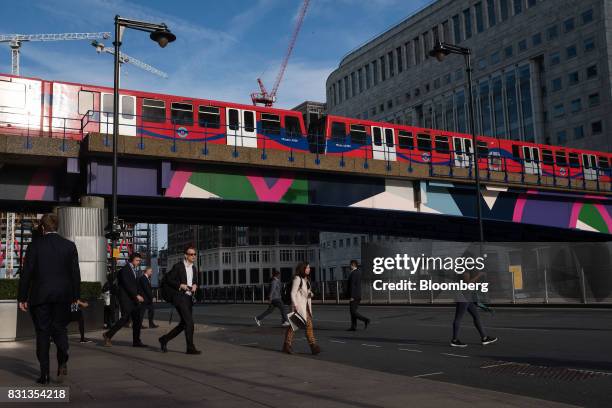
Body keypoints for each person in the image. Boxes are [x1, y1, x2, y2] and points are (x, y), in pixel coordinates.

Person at [17, 214, 81, 384]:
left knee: (42, 333)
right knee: (60, 329)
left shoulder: (34, 246)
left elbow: (27, 273)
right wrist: (76, 297)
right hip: (63, 296)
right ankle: (63, 358)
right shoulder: (69, 246)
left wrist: (22, 297)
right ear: (57, 227)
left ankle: (44, 375)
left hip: (40, 297)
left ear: (43, 228)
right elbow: (75, 274)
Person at [159, 245, 201, 355]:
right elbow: (168, 279)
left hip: (188, 298)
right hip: (179, 297)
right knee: (189, 323)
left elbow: (195, 280)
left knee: (184, 324)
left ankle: (164, 339)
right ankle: (190, 348)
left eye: (194, 254)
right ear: (185, 255)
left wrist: (195, 285)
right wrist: (180, 285)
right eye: (191, 254)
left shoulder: (194, 268)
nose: (193, 256)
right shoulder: (178, 266)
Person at [103, 253, 146, 347]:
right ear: (132, 260)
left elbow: (134, 285)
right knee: (124, 318)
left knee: (137, 320)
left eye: (139, 261)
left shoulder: (134, 269)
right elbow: (127, 285)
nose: (139, 262)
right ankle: (108, 335)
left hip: (133, 299)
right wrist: (136, 295)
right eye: (137, 260)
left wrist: (138, 295)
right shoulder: (125, 270)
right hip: (126, 299)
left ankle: (136, 341)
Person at [450, 268, 498, 347]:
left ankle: (484, 338)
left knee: (476, 316)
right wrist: (479, 275)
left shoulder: (465, 270)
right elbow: (468, 283)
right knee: (458, 318)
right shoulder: (464, 270)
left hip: (467, 296)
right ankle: (454, 340)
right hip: (463, 296)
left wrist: (486, 308)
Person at [282, 262, 320, 355]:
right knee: (295, 326)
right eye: (307, 268)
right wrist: (295, 305)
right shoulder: (297, 278)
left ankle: (288, 345)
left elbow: (307, 292)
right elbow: (292, 293)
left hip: (306, 306)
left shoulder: (306, 279)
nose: (309, 269)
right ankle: (312, 346)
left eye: (309, 268)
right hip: (299, 307)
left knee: (302, 326)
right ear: (302, 269)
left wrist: (310, 294)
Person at [347, 260, 370, 331]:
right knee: (353, 311)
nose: (349, 266)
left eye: (350, 264)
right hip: (357, 295)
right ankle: (353, 327)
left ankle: (365, 320)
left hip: (354, 296)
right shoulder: (358, 272)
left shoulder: (354, 273)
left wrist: (352, 296)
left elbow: (353, 285)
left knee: (353, 312)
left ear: (353, 265)